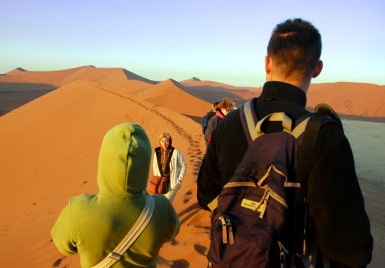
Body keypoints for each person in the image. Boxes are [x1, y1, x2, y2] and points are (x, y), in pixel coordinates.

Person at [197, 18, 373, 267]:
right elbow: (350, 248)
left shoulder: (229, 123)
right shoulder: (324, 136)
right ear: (317, 69)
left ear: (267, 62)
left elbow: (206, 196)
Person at [51, 123, 180, 267]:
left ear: (104, 161)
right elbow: (172, 232)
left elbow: (63, 245)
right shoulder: (162, 208)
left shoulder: (77, 211)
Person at [152, 131, 187, 202]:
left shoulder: (175, 152)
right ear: (160, 142)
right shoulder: (157, 153)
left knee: (167, 202)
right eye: (162, 141)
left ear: (170, 141)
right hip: (161, 183)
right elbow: (155, 167)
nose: (164, 143)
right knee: (160, 203)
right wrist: (157, 180)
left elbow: (184, 165)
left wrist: (179, 180)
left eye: (167, 141)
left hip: (172, 182)